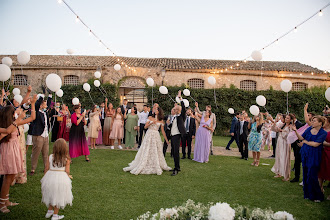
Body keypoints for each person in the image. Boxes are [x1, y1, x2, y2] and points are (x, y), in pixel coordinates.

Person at [0, 95, 37, 214]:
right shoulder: (5, 126)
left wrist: (33, 104)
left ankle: (6, 200)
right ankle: (2, 204)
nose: (16, 113)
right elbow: (8, 131)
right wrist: (18, 119)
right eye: (13, 112)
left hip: (15, 150)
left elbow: (32, 117)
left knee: (11, 176)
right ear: (9, 115)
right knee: (7, 177)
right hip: (8, 150)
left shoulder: (14, 123)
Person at [123, 107, 171, 175]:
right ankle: (144, 162)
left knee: (156, 150)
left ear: (159, 111)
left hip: (156, 135)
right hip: (149, 134)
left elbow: (163, 131)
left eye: (156, 110)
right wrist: (151, 123)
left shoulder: (161, 120)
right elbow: (145, 127)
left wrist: (166, 140)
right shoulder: (150, 117)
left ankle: (155, 163)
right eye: (154, 110)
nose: (154, 111)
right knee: (147, 148)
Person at [292, 116, 327, 202]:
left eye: (314, 121)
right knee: (305, 174)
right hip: (305, 153)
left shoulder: (323, 133)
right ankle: (308, 194)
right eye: (312, 121)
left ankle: (318, 196)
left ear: (320, 123)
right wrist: (295, 131)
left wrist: (305, 142)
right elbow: (301, 138)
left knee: (312, 175)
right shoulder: (309, 129)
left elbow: (316, 144)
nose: (312, 122)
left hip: (314, 155)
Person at [41, 138, 73, 220]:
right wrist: (68, 176)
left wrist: (46, 178)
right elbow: (67, 171)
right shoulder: (67, 159)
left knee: (52, 194)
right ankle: (55, 215)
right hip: (61, 179)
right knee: (58, 196)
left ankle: (49, 211)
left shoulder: (50, 156)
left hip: (50, 177)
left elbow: (46, 168)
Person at [30, 93, 52, 176]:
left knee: (45, 153)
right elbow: (37, 104)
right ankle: (33, 168)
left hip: (46, 135)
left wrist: (50, 95)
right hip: (38, 135)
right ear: (41, 105)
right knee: (36, 152)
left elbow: (49, 105)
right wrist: (42, 96)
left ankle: (46, 168)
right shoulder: (36, 111)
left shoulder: (45, 112)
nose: (46, 105)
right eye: (44, 104)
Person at [271, 114, 294, 181]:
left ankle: (287, 175)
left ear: (290, 120)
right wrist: (275, 122)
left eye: (287, 118)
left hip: (285, 143)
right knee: (279, 157)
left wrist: (281, 131)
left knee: (284, 158)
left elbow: (289, 136)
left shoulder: (290, 127)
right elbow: (273, 129)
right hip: (280, 142)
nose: (286, 119)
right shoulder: (282, 125)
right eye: (286, 118)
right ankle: (279, 172)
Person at [168, 91, 186, 176]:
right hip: (173, 135)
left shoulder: (181, 116)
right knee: (174, 152)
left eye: (175, 109)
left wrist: (180, 98)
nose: (173, 110)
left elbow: (183, 108)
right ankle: (176, 167)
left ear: (178, 110)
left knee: (176, 152)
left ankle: (176, 169)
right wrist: (168, 124)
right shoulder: (174, 117)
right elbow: (172, 126)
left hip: (177, 135)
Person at [318, 116, 330, 200]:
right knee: (320, 172)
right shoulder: (322, 130)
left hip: (328, 152)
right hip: (321, 152)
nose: (324, 122)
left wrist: (323, 143)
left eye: (325, 121)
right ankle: (320, 189)